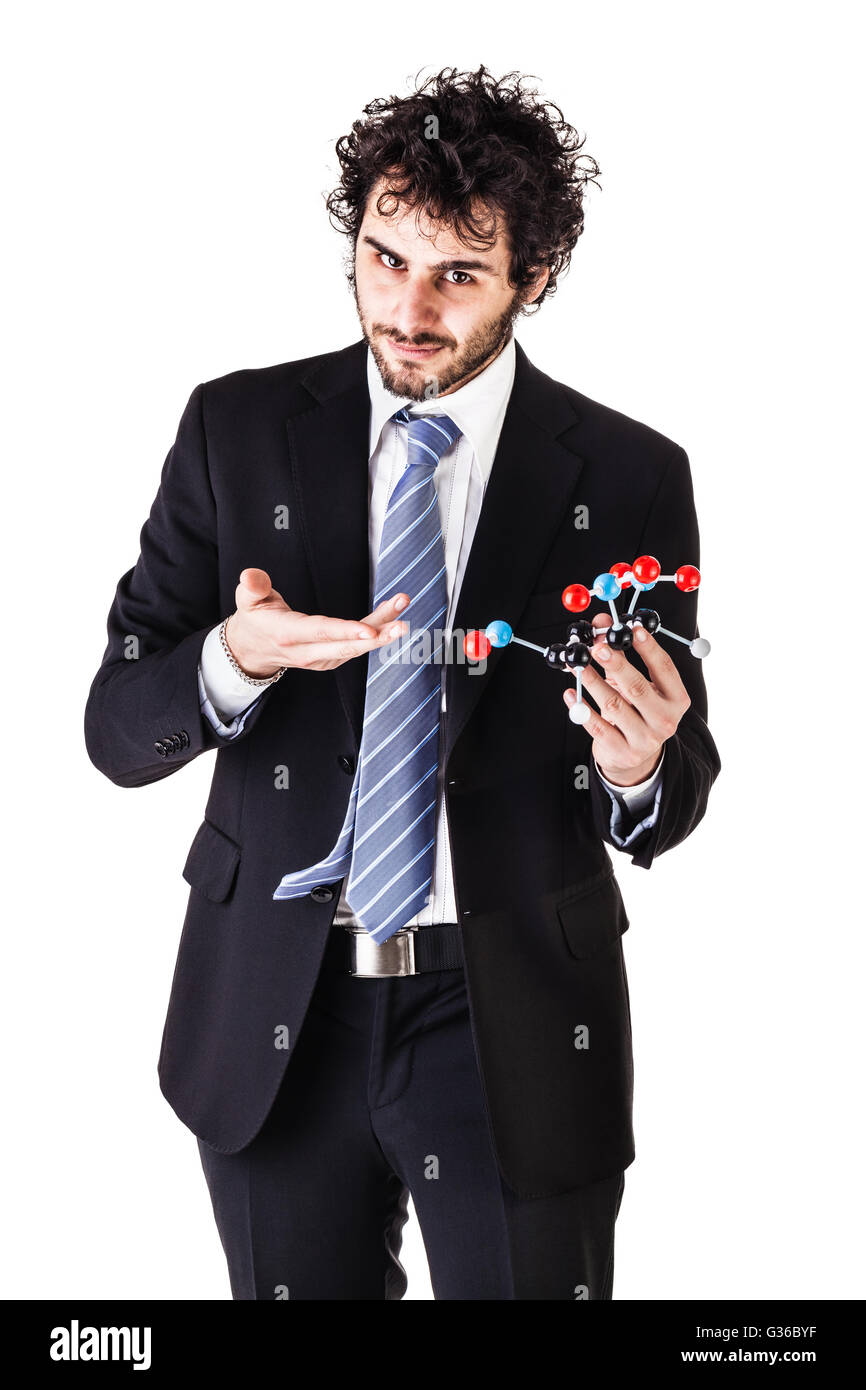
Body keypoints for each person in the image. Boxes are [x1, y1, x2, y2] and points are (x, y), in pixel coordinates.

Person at [84, 66, 721, 1300]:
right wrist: (233, 659)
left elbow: (672, 794)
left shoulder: (631, 476)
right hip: (276, 1001)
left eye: (457, 274)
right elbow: (116, 726)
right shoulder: (235, 430)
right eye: (382, 258)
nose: (407, 307)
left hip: (514, 1018)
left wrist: (638, 762)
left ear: (534, 278)